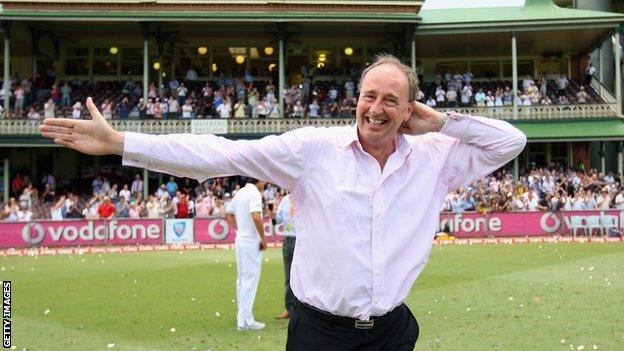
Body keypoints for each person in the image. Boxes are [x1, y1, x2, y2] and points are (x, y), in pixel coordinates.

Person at [39, 54, 526, 350]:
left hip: (392, 333)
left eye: (391, 101)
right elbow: (222, 154)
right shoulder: (314, 150)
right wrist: (124, 143)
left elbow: (511, 142)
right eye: (368, 95)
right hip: (320, 335)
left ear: (409, 111)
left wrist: (443, 123)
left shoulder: (435, 158)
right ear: (355, 98)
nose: (375, 109)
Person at [225, 178, 267, 331]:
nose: (265, 184)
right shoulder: (254, 193)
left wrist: (239, 230)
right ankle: (246, 320)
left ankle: (242, 318)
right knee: (249, 279)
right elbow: (256, 216)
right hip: (250, 241)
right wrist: (263, 238)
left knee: (242, 279)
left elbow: (228, 214)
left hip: (241, 240)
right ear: (259, 180)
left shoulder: (240, 192)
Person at [274, 192, 296, 320]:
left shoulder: (305, 196)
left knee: (304, 277)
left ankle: (303, 310)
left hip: (303, 241)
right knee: (289, 277)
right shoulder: (284, 200)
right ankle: (289, 309)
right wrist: (272, 215)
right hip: (288, 239)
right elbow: (278, 219)